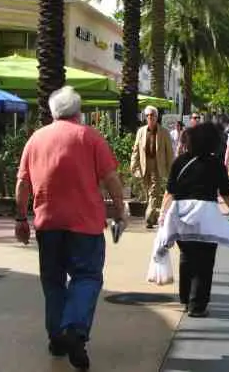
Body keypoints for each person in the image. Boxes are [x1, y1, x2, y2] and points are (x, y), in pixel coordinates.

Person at [14, 86, 126, 371]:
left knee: (52, 281)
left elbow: (23, 184)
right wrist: (120, 211)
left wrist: (20, 219)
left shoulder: (36, 139)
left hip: (47, 223)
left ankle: (57, 337)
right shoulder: (90, 137)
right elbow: (111, 178)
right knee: (86, 277)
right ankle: (74, 330)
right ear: (78, 112)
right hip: (85, 225)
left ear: (53, 112)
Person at [156, 123, 229, 318]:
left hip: (180, 215)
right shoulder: (215, 164)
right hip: (206, 216)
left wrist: (163, 214)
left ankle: (185, 297)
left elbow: (169, 192)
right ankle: (197, 305)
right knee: (205, 261)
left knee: (187, 256)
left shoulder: (179, 161)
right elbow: (227, 193)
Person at [131, 106, 175, 229]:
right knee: (148, 192)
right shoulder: (141, 131)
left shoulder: (164, 132)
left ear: (157, 117)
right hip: (145, 166)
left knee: (154, 192)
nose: (150, 118)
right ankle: (154, 215)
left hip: (157, 165)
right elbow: (136, 150)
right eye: (148, 116)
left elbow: (169, 153)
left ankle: (149, 218)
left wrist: (172, 169)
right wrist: (134, 166)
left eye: (152, 115)